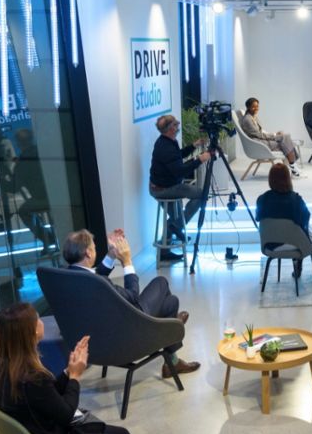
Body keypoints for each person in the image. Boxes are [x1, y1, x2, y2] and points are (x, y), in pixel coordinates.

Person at [0, 302, 195, 434]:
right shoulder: (32, 377)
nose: (41, 321)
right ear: (31, 331)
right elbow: (65, 413)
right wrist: (75, 377)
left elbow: (47, 397)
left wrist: (67, 372)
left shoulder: (7, 369)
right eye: (37, 319)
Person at [62, 228, 200, 378]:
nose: (95, 250)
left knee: (171, 303)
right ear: (88, 253)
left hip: (97, 340)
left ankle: (171, 343)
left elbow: (95, 277)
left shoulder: (68, 277)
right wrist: (127, 261)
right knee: (161, 282)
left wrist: (111, 254)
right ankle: (170, 330)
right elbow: (133, 296)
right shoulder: (98, 284)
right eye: (94, 248)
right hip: (124, 339)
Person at [255, 163, 312, 278]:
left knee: (296, 228)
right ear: (288, 179)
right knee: (301, 227)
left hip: (270, 245)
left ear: (270, 179)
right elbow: (304, 223)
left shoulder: (262, 199)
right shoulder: (296, 200)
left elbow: (258, 218)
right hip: (296, 245)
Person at [149, 114, 212, 260]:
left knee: (175, 216)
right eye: (176, 125)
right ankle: (177, 226)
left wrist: (193, 146)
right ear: (171, 129)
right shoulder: (165, 147)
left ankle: (166, 248)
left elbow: (177, 156)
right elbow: (180, 170)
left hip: (163, 185)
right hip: (164, 189)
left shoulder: (167, 141)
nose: (178, 127)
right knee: (202, 195)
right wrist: (200, 159)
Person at [13, 129, 55, 253]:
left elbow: (14, 187)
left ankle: (47, 238)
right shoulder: (44, 152)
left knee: (23, 211)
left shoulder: (21, 164)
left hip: (41, 199)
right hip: (57, 195)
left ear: (19, 144)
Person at [239, 97, 301, 177]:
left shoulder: (253, 116)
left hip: (261, 140)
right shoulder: (247, 119)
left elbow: (261, 131)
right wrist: (275, 135)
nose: (256, 108)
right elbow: (258, 134)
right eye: (253, 106)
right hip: (259, 143)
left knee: (286, 139)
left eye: (257, 106)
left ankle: (293, 166)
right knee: (286, 139)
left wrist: (274, 133)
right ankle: (293, 165)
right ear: (248, 107)